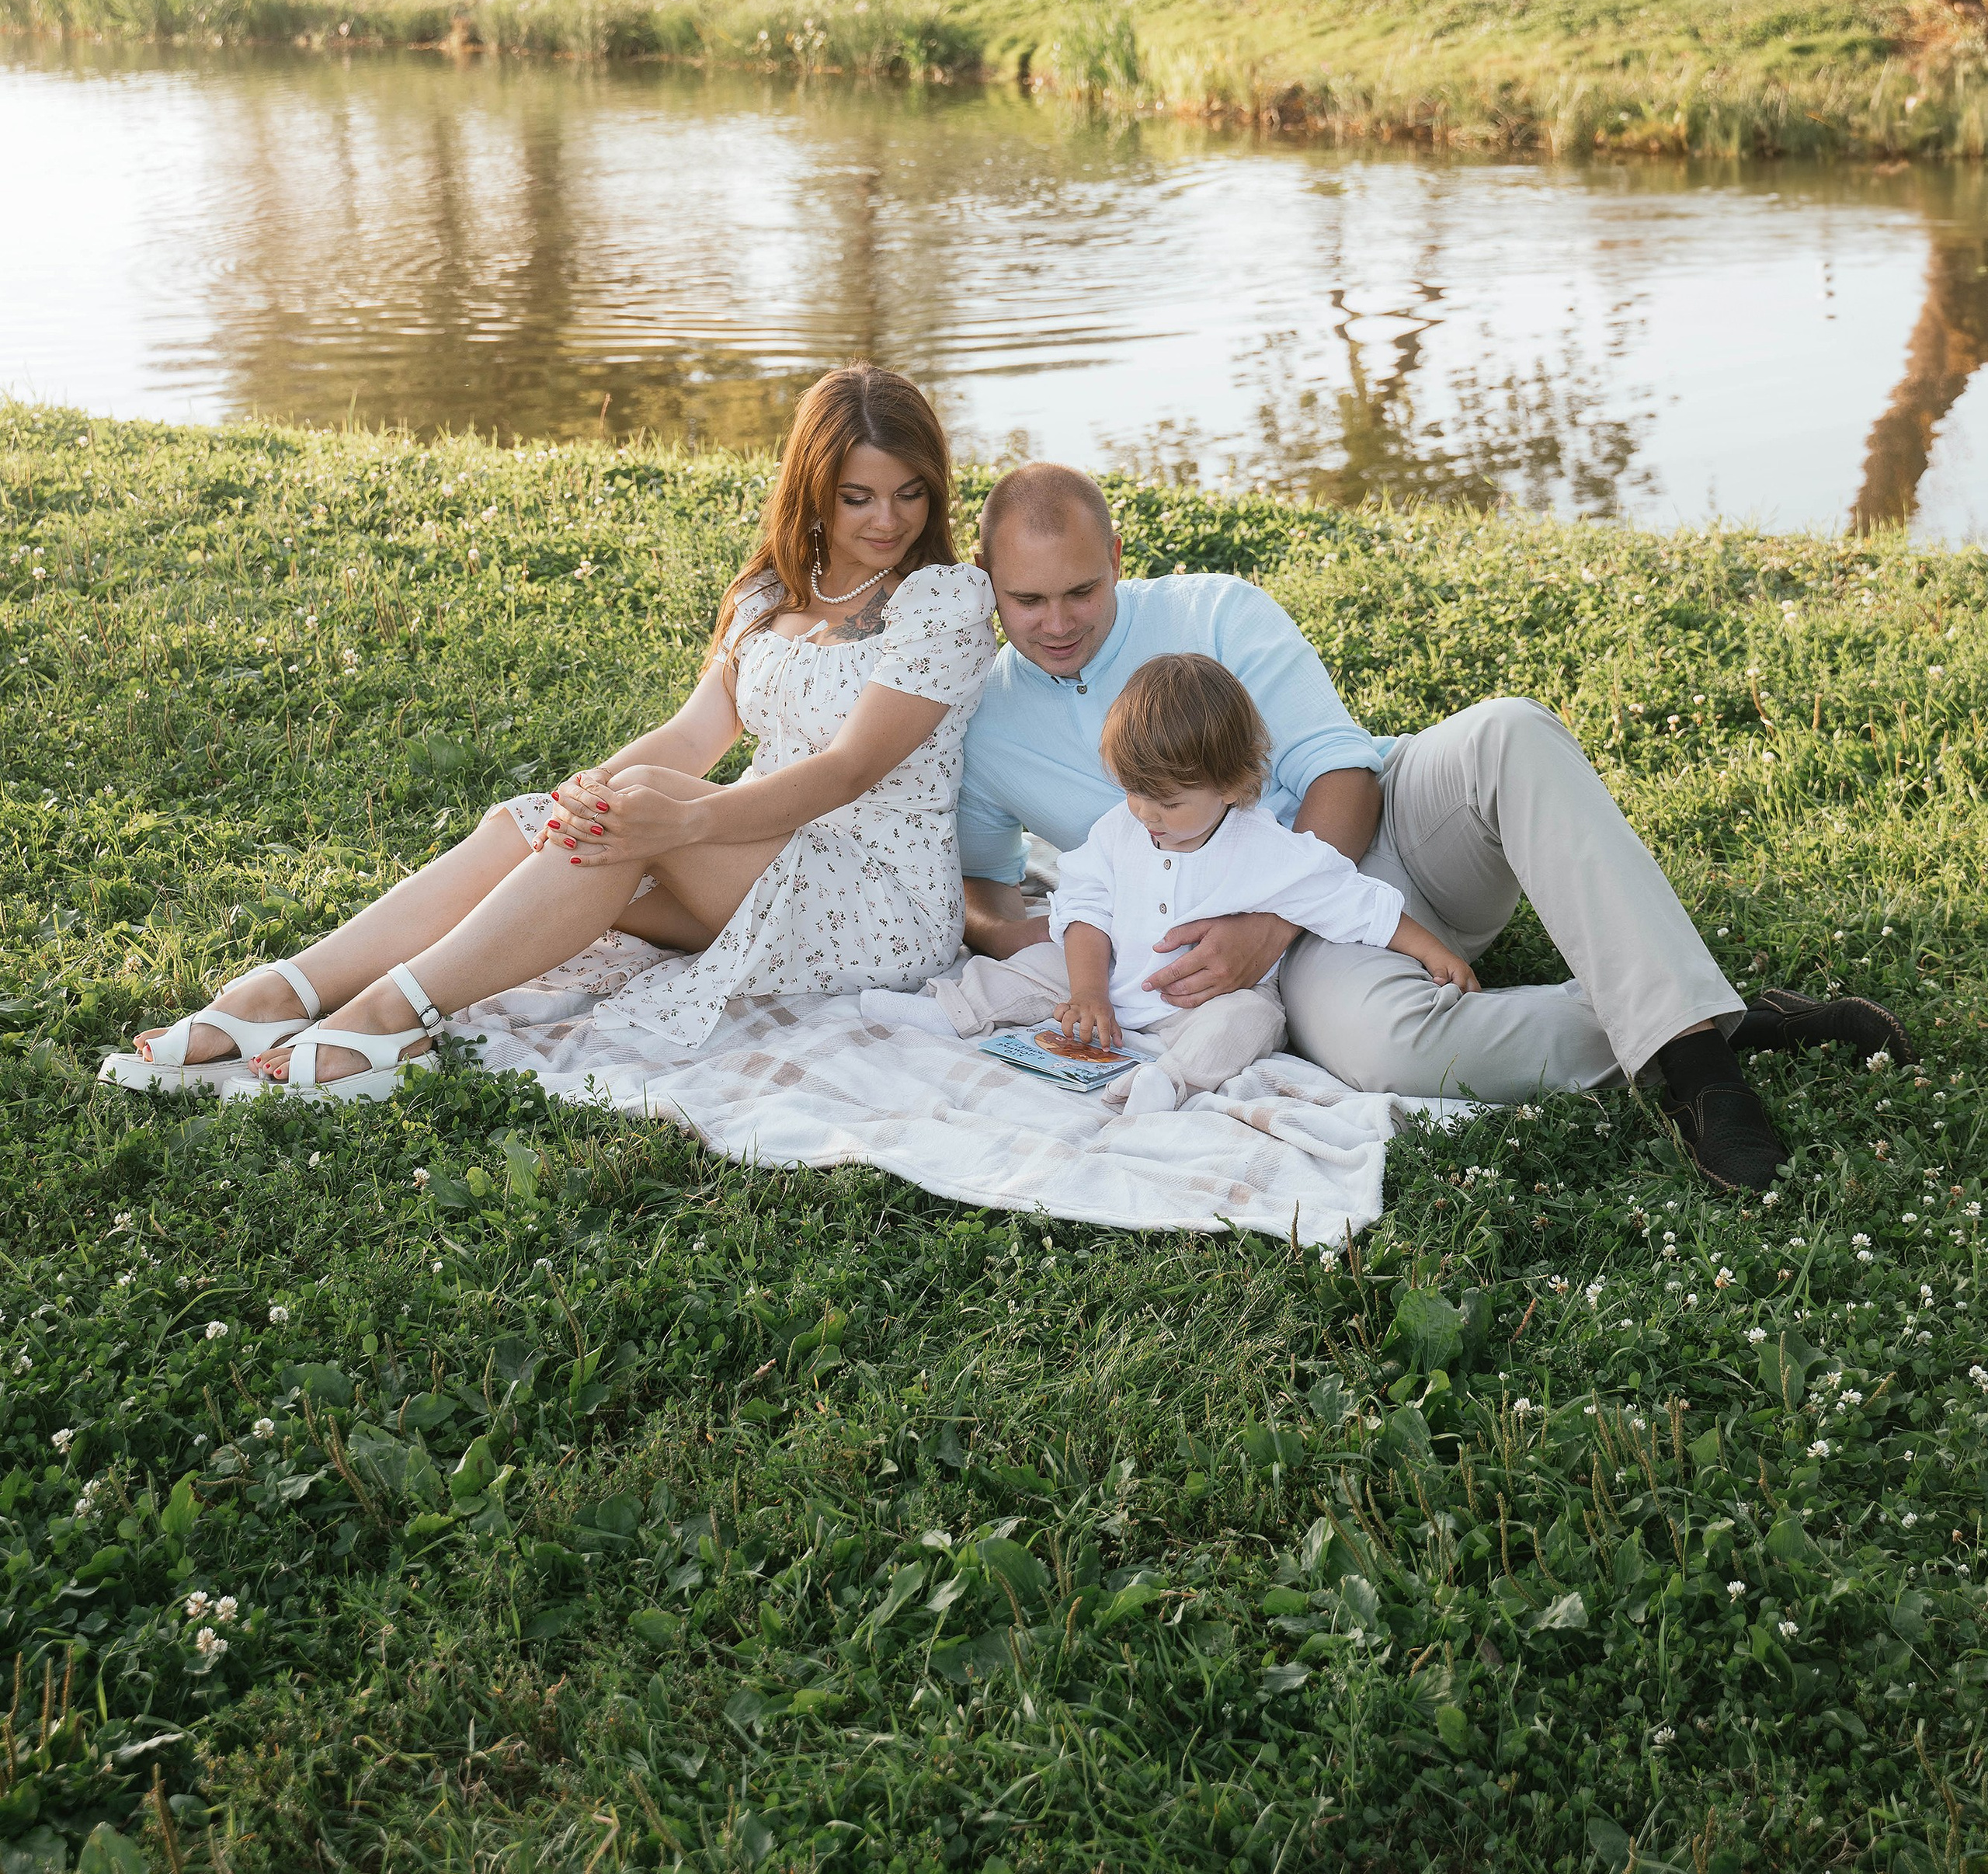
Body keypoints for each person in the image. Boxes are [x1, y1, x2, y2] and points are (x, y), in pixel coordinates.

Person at [955, 464, 1911, 1191]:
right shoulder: (984, 724)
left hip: (1377, 837)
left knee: (1510, 732)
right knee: (1392, 1055)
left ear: (1117, 559)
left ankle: (1702, 1073)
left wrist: (1271, 920)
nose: (1057, 623)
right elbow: (985, 888)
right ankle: (1707, 1014)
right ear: (988, 582)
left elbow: (1341, 774)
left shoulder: (1215, 610)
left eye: (1081, 591)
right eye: (1026, 600)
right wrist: (1073, 953)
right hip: (1314, 960)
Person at [118, 367, 996, 1094]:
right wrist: (578, 798)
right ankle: (284, 990)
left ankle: (390, 1016)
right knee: (552, 816)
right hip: (754, 858)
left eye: (909, 494)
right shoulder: (773, 593)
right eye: (857, 497)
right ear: (812, 491)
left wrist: (679, 819)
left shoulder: (943, 603)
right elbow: (691, 739)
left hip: (878, 897)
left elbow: (847, 771)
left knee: (632, 808)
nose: (888, 521)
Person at [864, 652, 1474, 1114]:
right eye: (1133, 792)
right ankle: (951, 1010)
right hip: (1107, 974)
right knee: (1029, 964)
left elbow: (1352, 900)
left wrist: (1434, 952)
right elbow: (1084, 908)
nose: (1147, 815)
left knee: (1250, 1021)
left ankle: (1168, 1080)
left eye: (1169, 803)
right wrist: (1089, 992)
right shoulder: (1120, 830)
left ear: (1232, 786)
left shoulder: (1266, 850)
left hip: (1199, 1003)